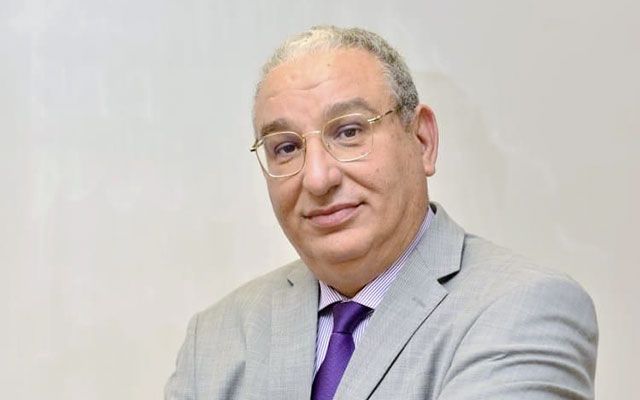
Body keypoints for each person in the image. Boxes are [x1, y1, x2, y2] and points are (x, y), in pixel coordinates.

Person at [165, 26, 598, 400]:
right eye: (287, 147)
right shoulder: (216, 338)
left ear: (422, 141)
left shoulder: (523, 308)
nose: (317, 178)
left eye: (349, 132)